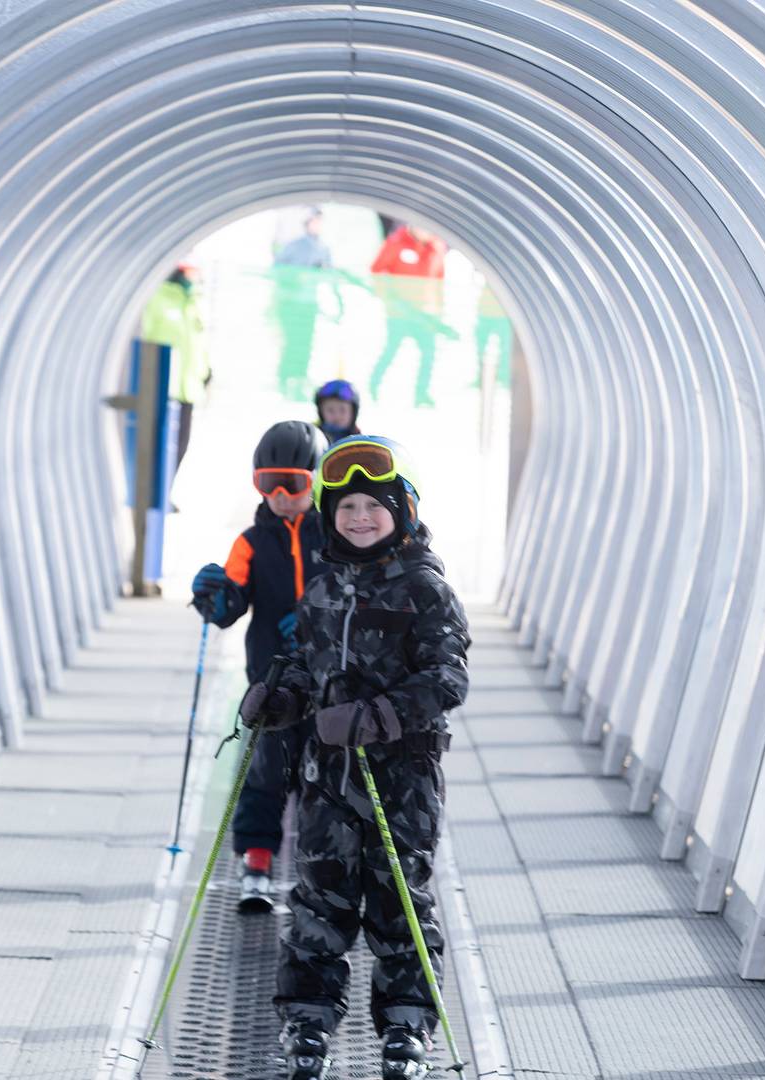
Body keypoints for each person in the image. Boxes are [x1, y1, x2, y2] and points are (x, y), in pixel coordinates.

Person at [238, 436, 470, 1080]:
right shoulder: (324, 587)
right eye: (346, 507)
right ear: (328, 516)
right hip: (328, 782)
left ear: (403, 511)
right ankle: (308, 1021)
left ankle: (404, 1026)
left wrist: (377, 718)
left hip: (403, 782)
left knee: (400, 903)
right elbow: (304, 669)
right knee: (319, 901)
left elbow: (447, 679)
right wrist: (278, 697)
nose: (360, 517)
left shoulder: (426, 590)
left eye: (375, 505)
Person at [188, 420, 329, 912]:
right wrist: (213, 597)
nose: (282, 496)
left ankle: (323, 872)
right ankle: (258, 861)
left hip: (331, 683)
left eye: (294, 484)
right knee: (265, 773)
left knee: (328, 781)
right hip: (271, 684)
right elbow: (230, 609)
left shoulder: (336, 537)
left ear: (318, 481)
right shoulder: (250, 542)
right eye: (269, 484)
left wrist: (316, 623)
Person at [367, 223, 456, 408]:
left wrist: (438, 309)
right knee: (391, 350)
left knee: (428, 353)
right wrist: (388, 297)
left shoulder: (437, 247)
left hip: (424, 314)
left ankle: (421, 394)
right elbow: (377, 270)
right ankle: (374, 385)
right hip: (399, 313)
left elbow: (439, 279)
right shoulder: (396, 243)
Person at [139, 264, 211, 479]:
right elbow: (146, 339)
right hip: (162, 386)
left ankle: (165, 489)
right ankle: (149, 491)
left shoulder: (194, 301)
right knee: (157, 443)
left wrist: (205, 372)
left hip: (188, 387)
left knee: (180, 444)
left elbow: (199, 343)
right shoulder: (158, 298)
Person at [272, 207, 345, 401]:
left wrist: (339, 302)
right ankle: (285, 379)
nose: (317, 225)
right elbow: (278, 269)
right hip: (290, 303)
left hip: (309, 304)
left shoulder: (323, 248)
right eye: (314, 221)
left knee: (305, 344)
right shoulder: (294, 246)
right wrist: (296, 279)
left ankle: (298, 380)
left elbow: (330, 274)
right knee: (292, 343)